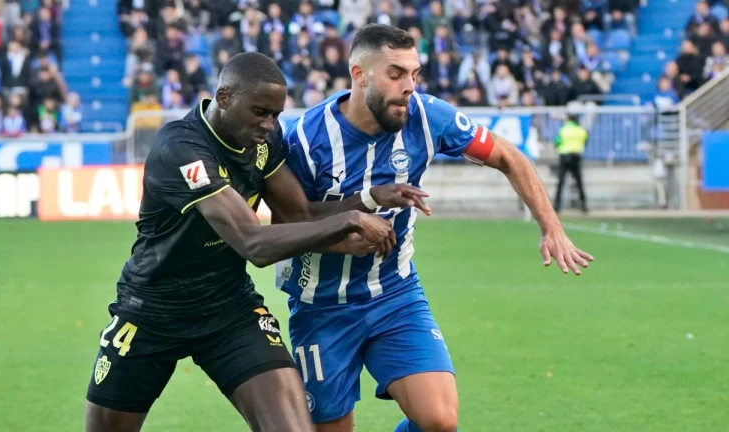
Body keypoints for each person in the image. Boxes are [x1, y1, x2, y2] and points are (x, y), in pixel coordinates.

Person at [84, 52, 429, 432]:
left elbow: (299, 215)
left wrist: (368, 199)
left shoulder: (264, 142)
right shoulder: (182, 149)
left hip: (229, 309)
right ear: (224, 97)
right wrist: (349, 221)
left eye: (276, 114)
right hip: (151, 311)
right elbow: (253, 244)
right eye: (260, 112)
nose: (269, 124)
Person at [275, 24, 595, 432]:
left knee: (439, 421)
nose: (409, 86)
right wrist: (343, 239)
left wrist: (551, 226)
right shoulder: (305, 139)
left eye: (414, 74)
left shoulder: (428, 116)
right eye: (395, 74)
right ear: (359, 75)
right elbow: (287, 225)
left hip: (394, 292)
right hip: (321, 305)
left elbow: (508, 156)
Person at [553, 114, 589, 213]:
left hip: (564, 157)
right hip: (576, 157)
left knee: (561, 182)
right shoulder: (581, 131)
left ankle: (557, 206)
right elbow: (585, 141)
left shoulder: (563, 130)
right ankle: (584, 205)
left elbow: (557, 142)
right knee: (579, 182)